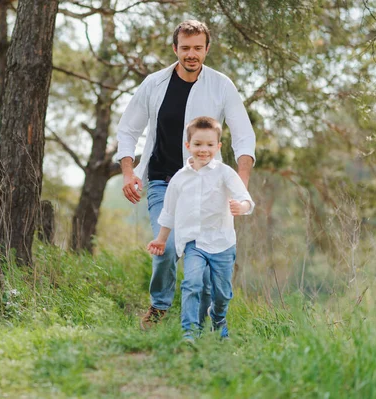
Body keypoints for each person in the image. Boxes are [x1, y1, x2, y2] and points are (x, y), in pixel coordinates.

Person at [116, 20, 256, 330]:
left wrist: (240, 186)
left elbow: (244, 136)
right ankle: (160, 306)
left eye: (197, 48)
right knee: (166, 247)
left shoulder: (222, 86)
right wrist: (128, 172)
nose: (191, 54)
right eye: (185, 48)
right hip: (162, 183)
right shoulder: (154, 84)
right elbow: (128, 129)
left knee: (205, 255)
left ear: (206, 49)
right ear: (175, 48)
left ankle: (202, 319)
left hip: (210, 188)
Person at [147, 117, 254, 339]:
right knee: (191, 283)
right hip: (193, 243)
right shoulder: (179, 179)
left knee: (222, 293)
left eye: (209, 145)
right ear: (188, 146)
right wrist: (160, 239)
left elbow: (245, 199)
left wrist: (240, 207)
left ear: (218, 147)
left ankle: (218, 318)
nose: (203, 150)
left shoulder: (225, 173)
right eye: (197, 144)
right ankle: (189, 332)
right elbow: (168, 213)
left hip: (222, 242)